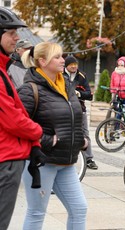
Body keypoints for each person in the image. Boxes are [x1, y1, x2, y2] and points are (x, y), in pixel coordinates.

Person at [18, 42, 88, 230]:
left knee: (79, 209)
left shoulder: (66, 85)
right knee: (37, 213)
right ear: (42, 61)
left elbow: (77, 114)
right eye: (57, 57)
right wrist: (48, 140)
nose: (62, 60)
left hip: (66, 162)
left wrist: (82, 139)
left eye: (61, 56)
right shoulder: (29, 90)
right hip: (41, 163)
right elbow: (17, 127)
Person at [0, 7, 43, 230]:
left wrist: (33, 143)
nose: (17, 38)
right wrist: (38, 133)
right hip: (5, 160)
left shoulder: (3, 69)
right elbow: (14, 120)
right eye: (11, 32)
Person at [63, 55, 98, 170]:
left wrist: (79, 94)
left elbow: (89, 94)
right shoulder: (59, 75)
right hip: (63, 109)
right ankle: (64, 156)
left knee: (84, 133)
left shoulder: (82, 76)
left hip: (80, 108)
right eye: (71, 64)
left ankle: (89, 159)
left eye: (75, 64)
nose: (74, 66)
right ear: (66, 66)